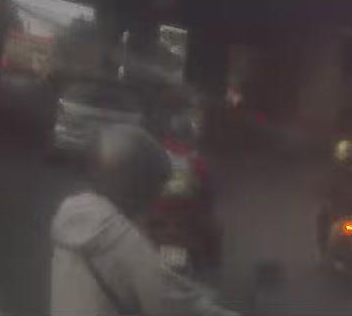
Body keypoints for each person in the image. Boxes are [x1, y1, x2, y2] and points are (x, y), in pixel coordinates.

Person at [50, 124, 236, 316]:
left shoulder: (74, 215)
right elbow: (170, 303)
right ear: (132, 184)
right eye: (149, 189)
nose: (150, 199)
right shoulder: (115, 236)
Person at [316, 138, 352, 254]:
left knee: (322, 218)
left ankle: (325, 251)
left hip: (346, 213)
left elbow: (327, 190)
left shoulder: (337, 171)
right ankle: (326, 251)